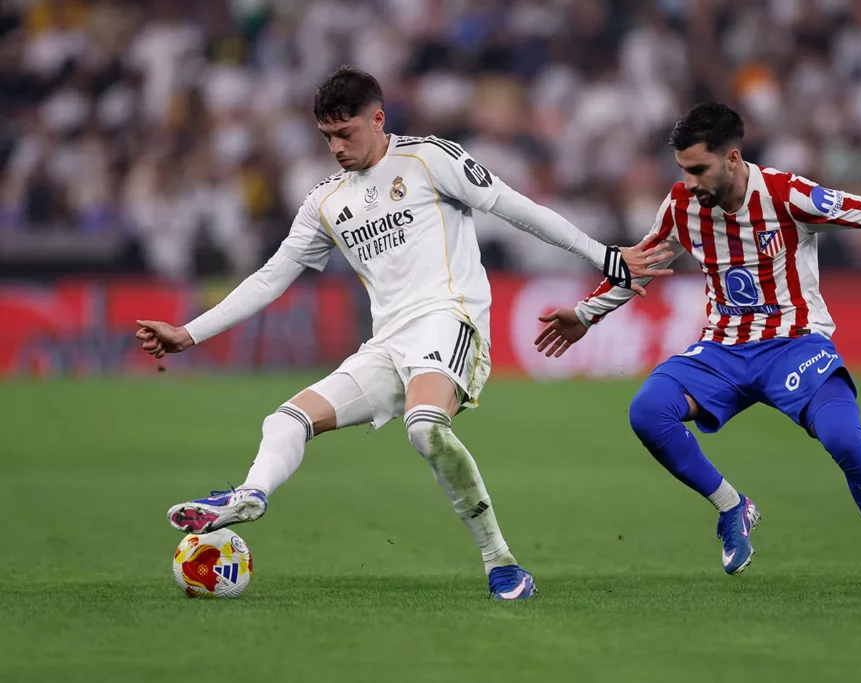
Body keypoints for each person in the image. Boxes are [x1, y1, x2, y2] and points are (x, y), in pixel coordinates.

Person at [135, 66, 670, 601]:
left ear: (378, 119)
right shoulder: (325, 201)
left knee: (424, 428)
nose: (336, 148)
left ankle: (501, 562)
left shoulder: (430, 159)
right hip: (388, 344)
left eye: (345, 133)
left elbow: (518, 208)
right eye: (327, 136)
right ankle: (252, 493)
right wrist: (189, 332)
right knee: (285, 420)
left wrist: (605, 257)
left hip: (450, 319)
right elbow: (271, 277)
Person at [534, 102, 861, 597]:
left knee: (847, 442)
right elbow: (641, 263)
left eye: (698, 169)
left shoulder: (788, 195)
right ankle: (732, 506)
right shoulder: (681, 206)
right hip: (723, 350)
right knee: (647, 411)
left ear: (733, 158)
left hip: (795, 345)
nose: (689, 182)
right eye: (682, 170)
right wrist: (586, 314)